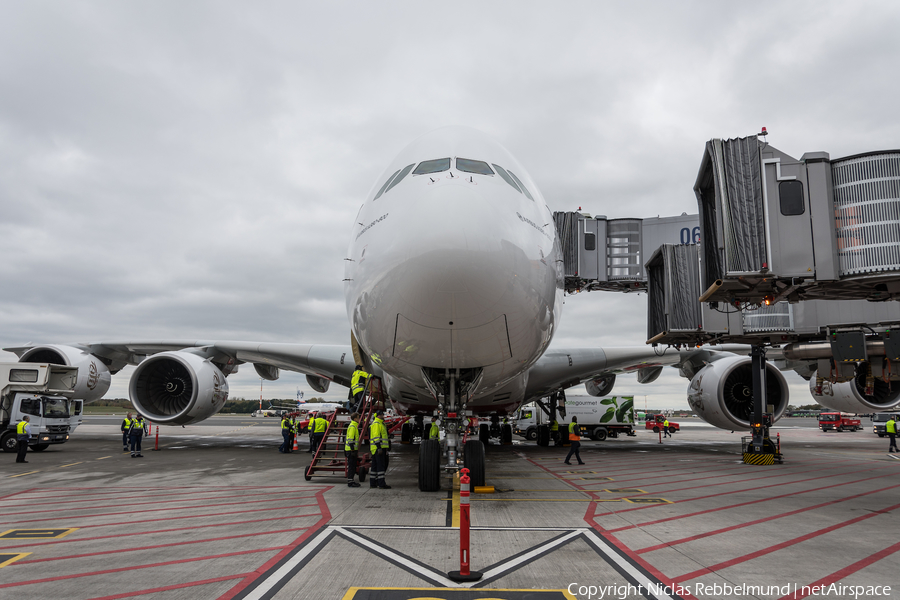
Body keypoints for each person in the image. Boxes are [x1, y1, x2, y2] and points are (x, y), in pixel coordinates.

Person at [369, 411, 391, 488]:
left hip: (377, 448)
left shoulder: (381, 423)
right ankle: (381, 483)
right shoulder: (376, 424)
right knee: (381, 466)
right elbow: (376, 437)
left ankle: (373, 483)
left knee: (374, 467)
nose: (383, 416)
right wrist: (379, 448)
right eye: (382, 415)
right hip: (379, 448)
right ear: (378, 416)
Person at [345, 412, 362, 487]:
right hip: (351, 450)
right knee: (351, 466)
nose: (359, 419)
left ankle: (351, 480)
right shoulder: (352, 427)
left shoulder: (354, 426)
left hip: (351, 449)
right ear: (355, 419)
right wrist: (352, 450)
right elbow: (351, 439)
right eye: (358, 418)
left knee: (352, 465)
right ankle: (350, 482)